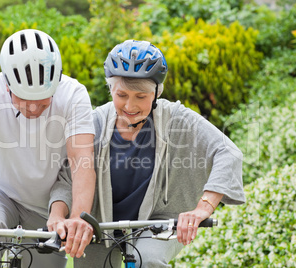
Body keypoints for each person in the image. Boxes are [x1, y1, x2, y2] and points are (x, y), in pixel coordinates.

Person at [73, 40, 246, 267]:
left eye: (141, 97)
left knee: (148, 259)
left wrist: (202, 207)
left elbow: (228, 152)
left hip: (160, 218)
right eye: (121, 95)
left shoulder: (176, 118)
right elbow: (68, 172)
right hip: (101, 220)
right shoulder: (95, 122)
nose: (130, 105)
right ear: (110, 90)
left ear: (156, 93)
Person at [0, 29, 96, 268]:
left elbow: (82, 159)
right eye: (23, 99)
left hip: (47, 206)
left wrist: (77, 218)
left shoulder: (74, 94)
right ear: (7, 85)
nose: (33, 108)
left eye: (43, 100)